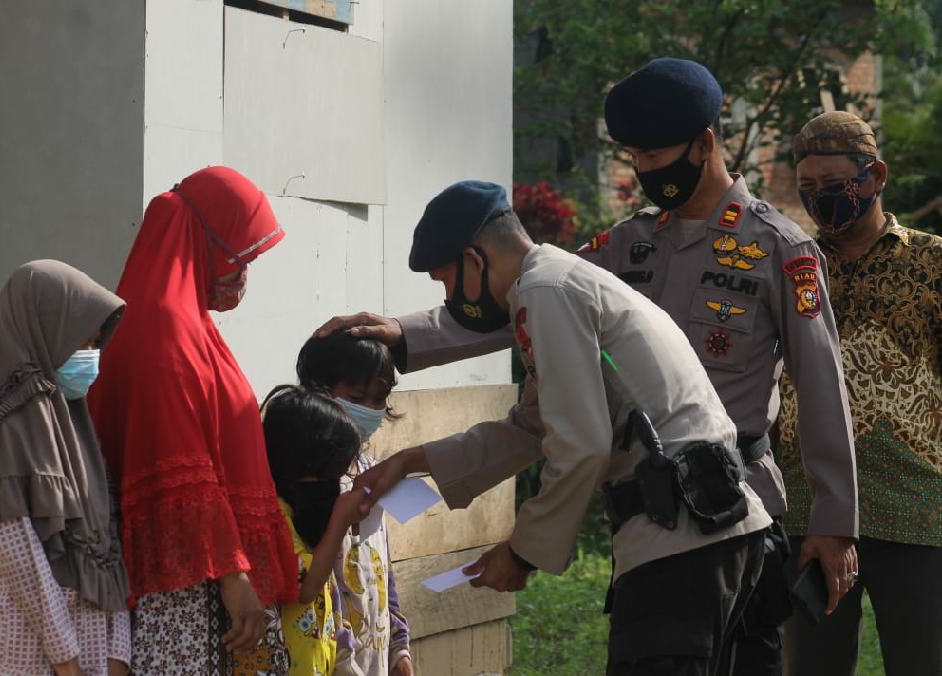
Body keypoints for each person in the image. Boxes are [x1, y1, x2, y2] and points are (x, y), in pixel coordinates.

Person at [324, 58, 860, 676]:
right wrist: (402, 338)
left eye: (655, 155)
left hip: (732, 494)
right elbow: (510, 307)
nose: (643, 171)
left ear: (704, 144)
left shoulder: (778, 245)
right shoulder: (618, 247)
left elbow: (822, 387)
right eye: (634, 156)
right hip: (653, 503)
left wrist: (835, 521)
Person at [353, 180, 774, 674]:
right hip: (709, 531)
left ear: (475, 258)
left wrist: (521, 552)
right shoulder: (554, 283)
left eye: (446, 280)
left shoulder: (545, 289)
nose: (449, 297)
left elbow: (582, 447)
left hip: (683, 540)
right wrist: (409, 460)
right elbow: (534, 426)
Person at [87, 166, 300, 675]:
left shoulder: (185, 322)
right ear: (203, 241)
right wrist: (232, 578)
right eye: (239, 256)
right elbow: (180, 463)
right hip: (187, 588)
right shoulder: (166, 329)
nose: (242, 271)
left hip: (202, 575)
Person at [777, 111, 942, 676]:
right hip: (809, 508)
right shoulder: (792, 265)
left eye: (833, 185)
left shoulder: (932, 263)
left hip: (917, 510)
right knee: (814, 666)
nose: (820, 199)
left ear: (875, 177)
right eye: (807, 189)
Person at [0, 260, 131, 676]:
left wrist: (118, 653)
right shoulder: (7, 428)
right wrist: (66, 660)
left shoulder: (77, 429)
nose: (91, 357)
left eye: (95, 343)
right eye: (81, 342)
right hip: (22, 655)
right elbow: (20, 554)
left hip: (89, 658)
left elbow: (107, 543)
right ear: (44, 334)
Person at [296, 331, 413, 676]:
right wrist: (344, 660)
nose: (371, 411)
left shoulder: (369, 471)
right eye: (357, 396)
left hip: (374, 659)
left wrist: (398, 646)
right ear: (318, 392)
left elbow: (383, 566)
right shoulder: (309, 481)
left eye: (380, 399)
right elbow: (315, 582)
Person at [241, 385, 369, 675]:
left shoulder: (301, 509)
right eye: (335, 468)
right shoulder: (274, 515)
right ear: (306, 458)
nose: (339, 478)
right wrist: (340, 520)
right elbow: (305, 587)